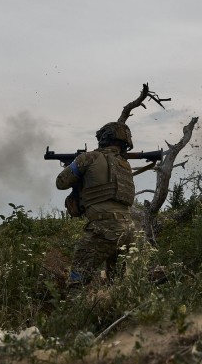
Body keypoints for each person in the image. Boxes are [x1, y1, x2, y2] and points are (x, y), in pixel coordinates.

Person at [56, 122, 135, 285]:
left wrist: (75, 164)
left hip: (104, 229)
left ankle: (75, 308)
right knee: (117, 284)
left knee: (78, 278)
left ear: (103, 138)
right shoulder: (124, 165)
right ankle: (118, 309)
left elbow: (61, 182)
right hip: (128, 231)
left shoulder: (89, 158)